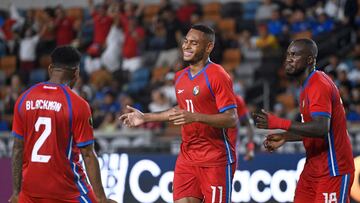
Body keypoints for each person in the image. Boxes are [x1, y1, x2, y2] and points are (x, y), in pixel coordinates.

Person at [120, 24, 238, 203]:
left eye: (194, 43)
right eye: (186, 41)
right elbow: (179, 111)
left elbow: (232, 118)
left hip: (215, 159)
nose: (187, 46)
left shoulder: (218, 75)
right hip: (187, 157)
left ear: (208, 47)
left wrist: (196, 116)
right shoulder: (180, 77)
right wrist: (145, 117)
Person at [9, 46, 116, 203]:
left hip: (30, 191)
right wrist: (101, 198)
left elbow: (18, 149)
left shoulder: (24, 99)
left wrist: (17, 193)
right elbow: (87, 154)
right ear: (76, 73)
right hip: (67, 191)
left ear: (50, 68)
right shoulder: (78, 105)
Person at [253, 39, 354, 203]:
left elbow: (321, 129)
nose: (288, 59)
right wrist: (286, 136)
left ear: (309, 60)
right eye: (287, 55)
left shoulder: (318, 85)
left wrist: (278, 123)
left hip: (333, 169)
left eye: (294, 55)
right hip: (313, 168)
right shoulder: (307, 86)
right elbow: (310, 129)